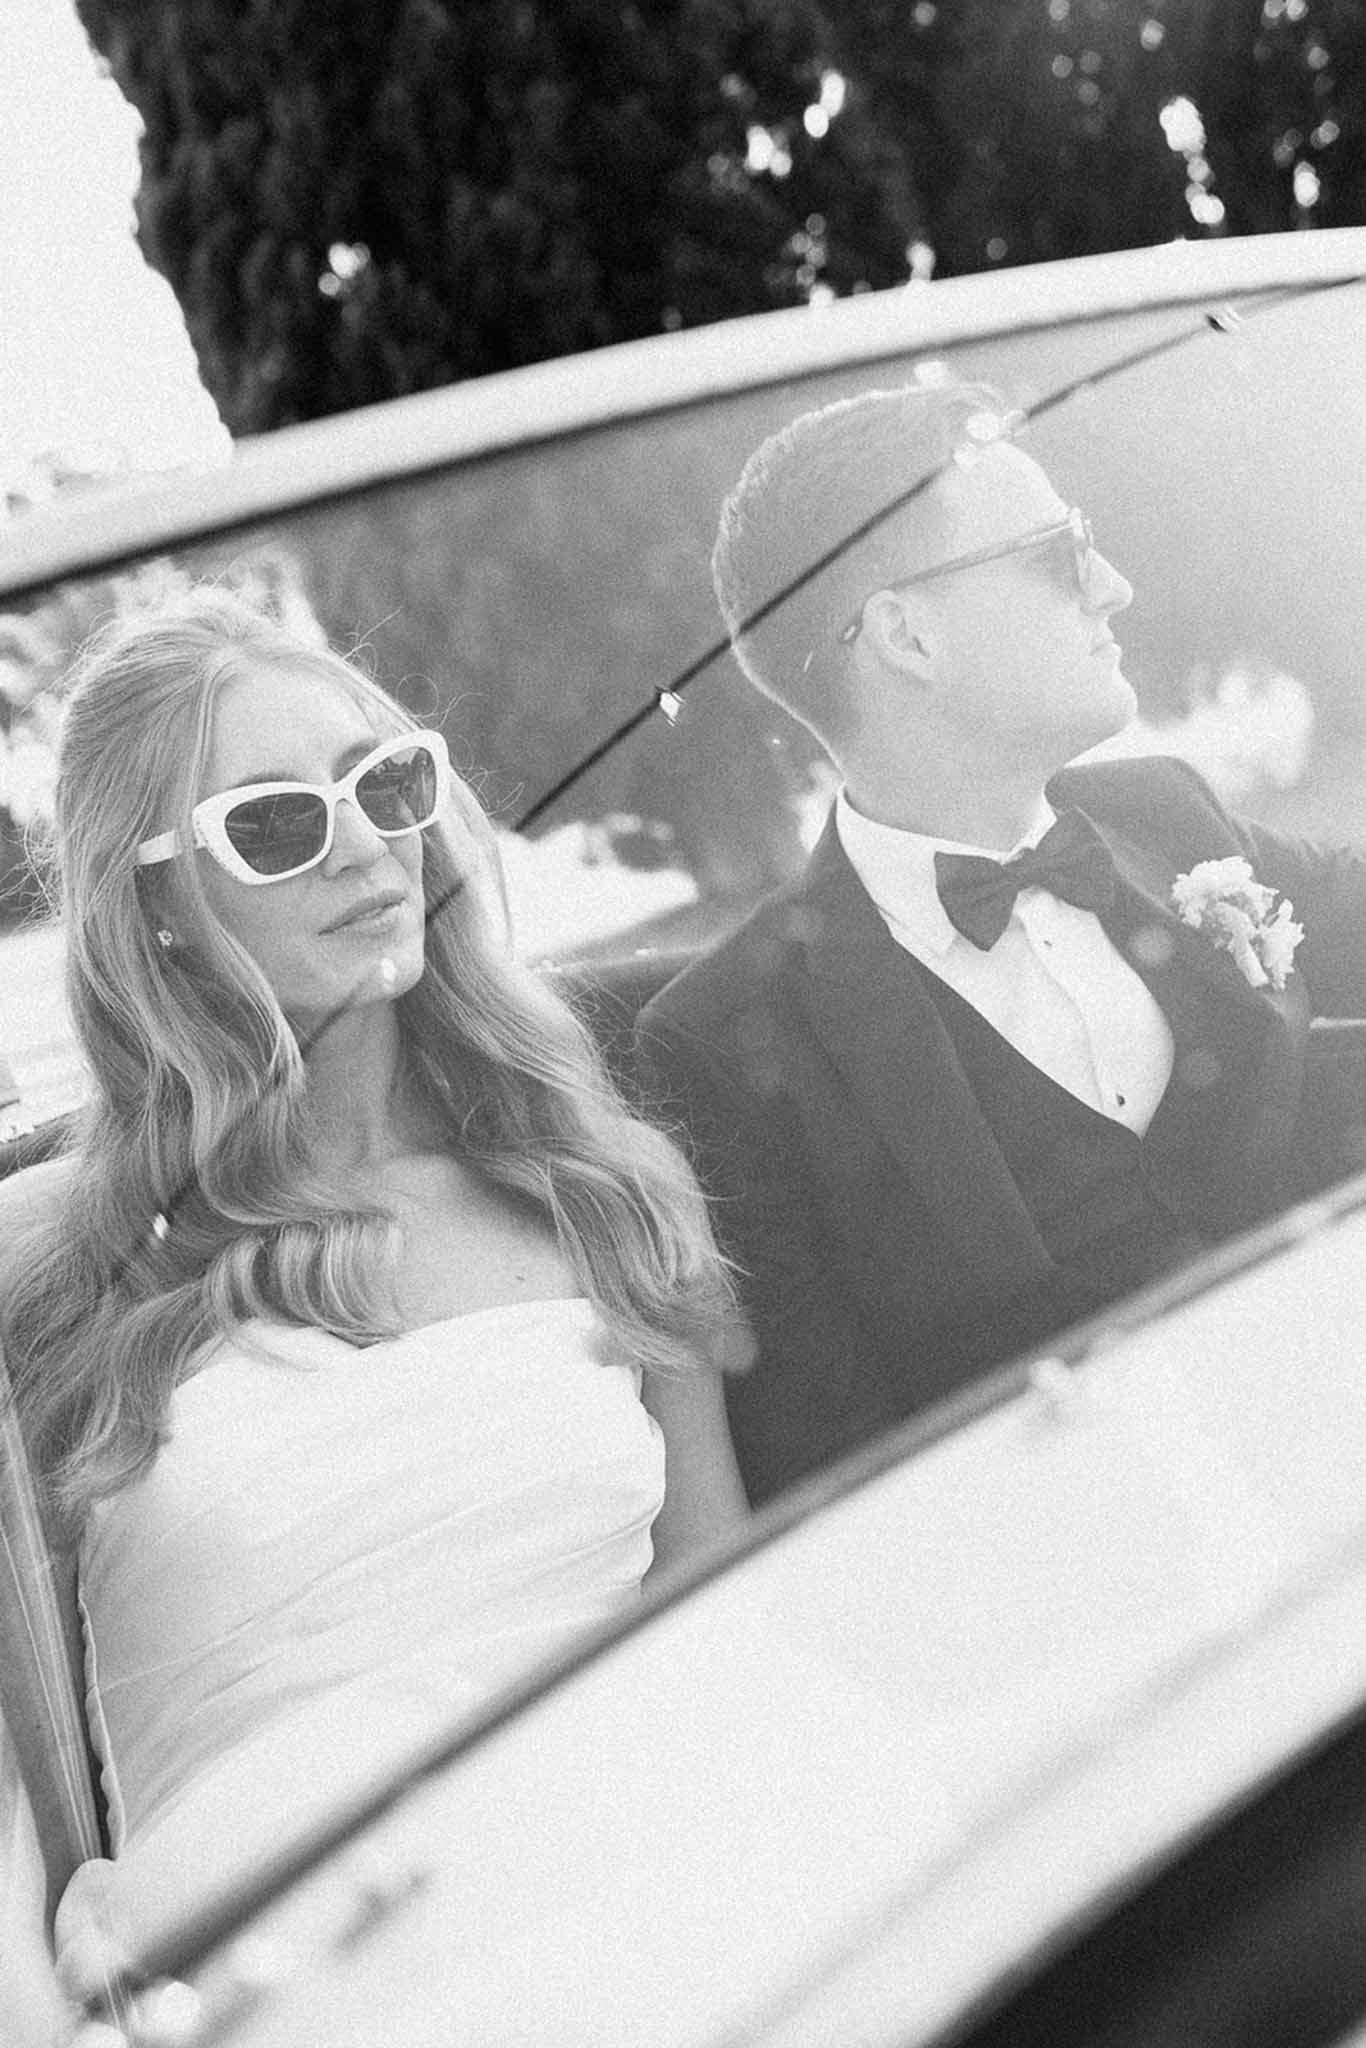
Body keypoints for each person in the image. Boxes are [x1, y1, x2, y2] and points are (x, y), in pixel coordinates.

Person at [0, 588, 748, 2008]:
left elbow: (720, 1610)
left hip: (657, 1900)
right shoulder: (54, 1280)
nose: (363, 844)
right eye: (275, 824)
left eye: (386, 781)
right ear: (154, 905)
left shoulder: (601, 1183)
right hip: (290, 1975)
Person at [637, 377, 1366, 1508]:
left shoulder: (1167, 817)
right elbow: (839, 1479)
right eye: (1058, 549)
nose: (1112, 585)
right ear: (908, 633)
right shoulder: (724, 1045)